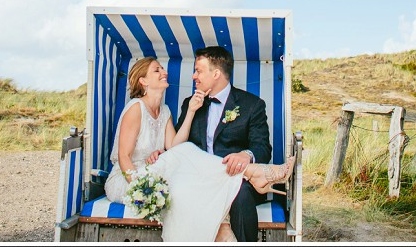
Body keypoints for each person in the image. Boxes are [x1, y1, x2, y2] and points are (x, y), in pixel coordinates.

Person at [104, 54, 294, 242]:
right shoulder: (156, 106)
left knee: (238, 191)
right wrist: (141, 184)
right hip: (137, 176)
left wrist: (246, 155)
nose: (165, 72)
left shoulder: (251, 105)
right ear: (143, 81)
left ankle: (248, 176)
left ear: (216, 74)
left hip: (225, 178)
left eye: (198, 71)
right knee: (187, 156)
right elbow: (130, 155)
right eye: (158, 69)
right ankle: (255, 175)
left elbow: (173, 147)